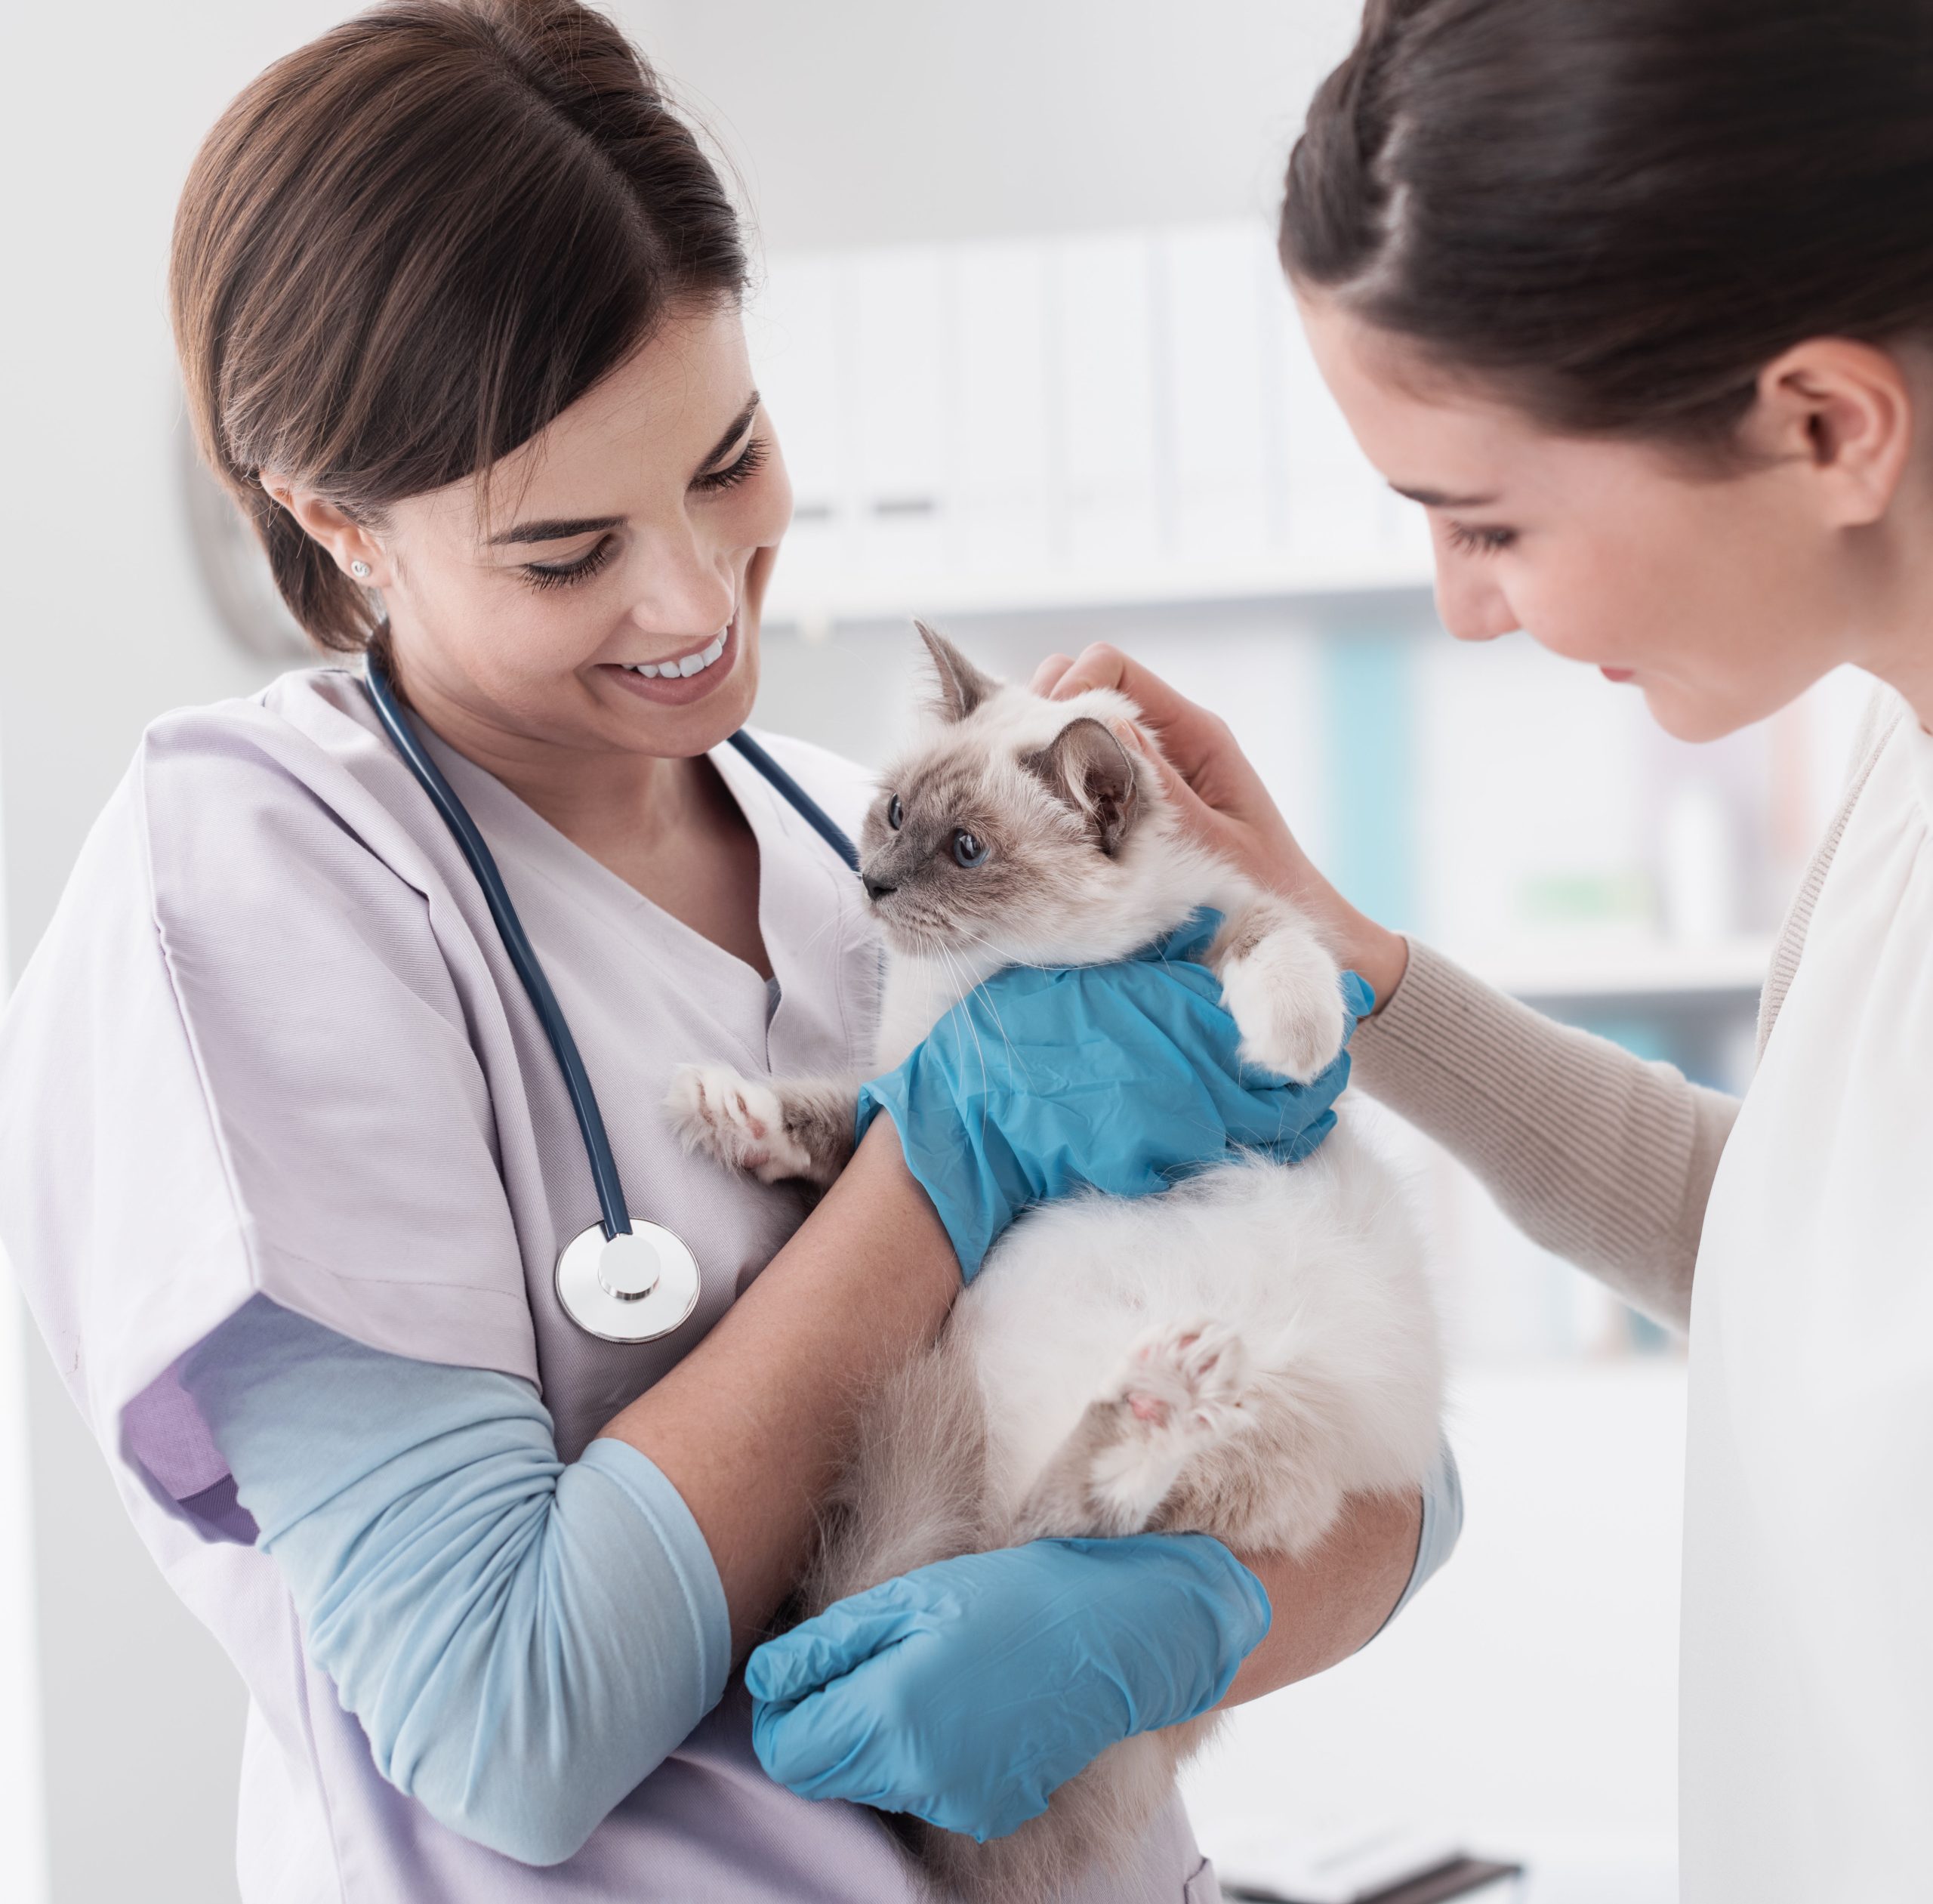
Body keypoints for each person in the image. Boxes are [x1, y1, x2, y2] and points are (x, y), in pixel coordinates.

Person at [0, 2, 1459, 1896]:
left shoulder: (880, 835)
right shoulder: (259, 885)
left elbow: (1402, 1481)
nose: (692, 595)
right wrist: (944, 1156)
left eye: (730, 454)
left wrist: (1183, 1611)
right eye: (563, 550)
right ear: (333, 521)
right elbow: (502, 1721)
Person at [1029, 2, 1930, 1898]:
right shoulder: (1889, 763)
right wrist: (1331, 955)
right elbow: (1789, 1242)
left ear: (1824, 425)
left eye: (1488, 520)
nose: (1462, 609)